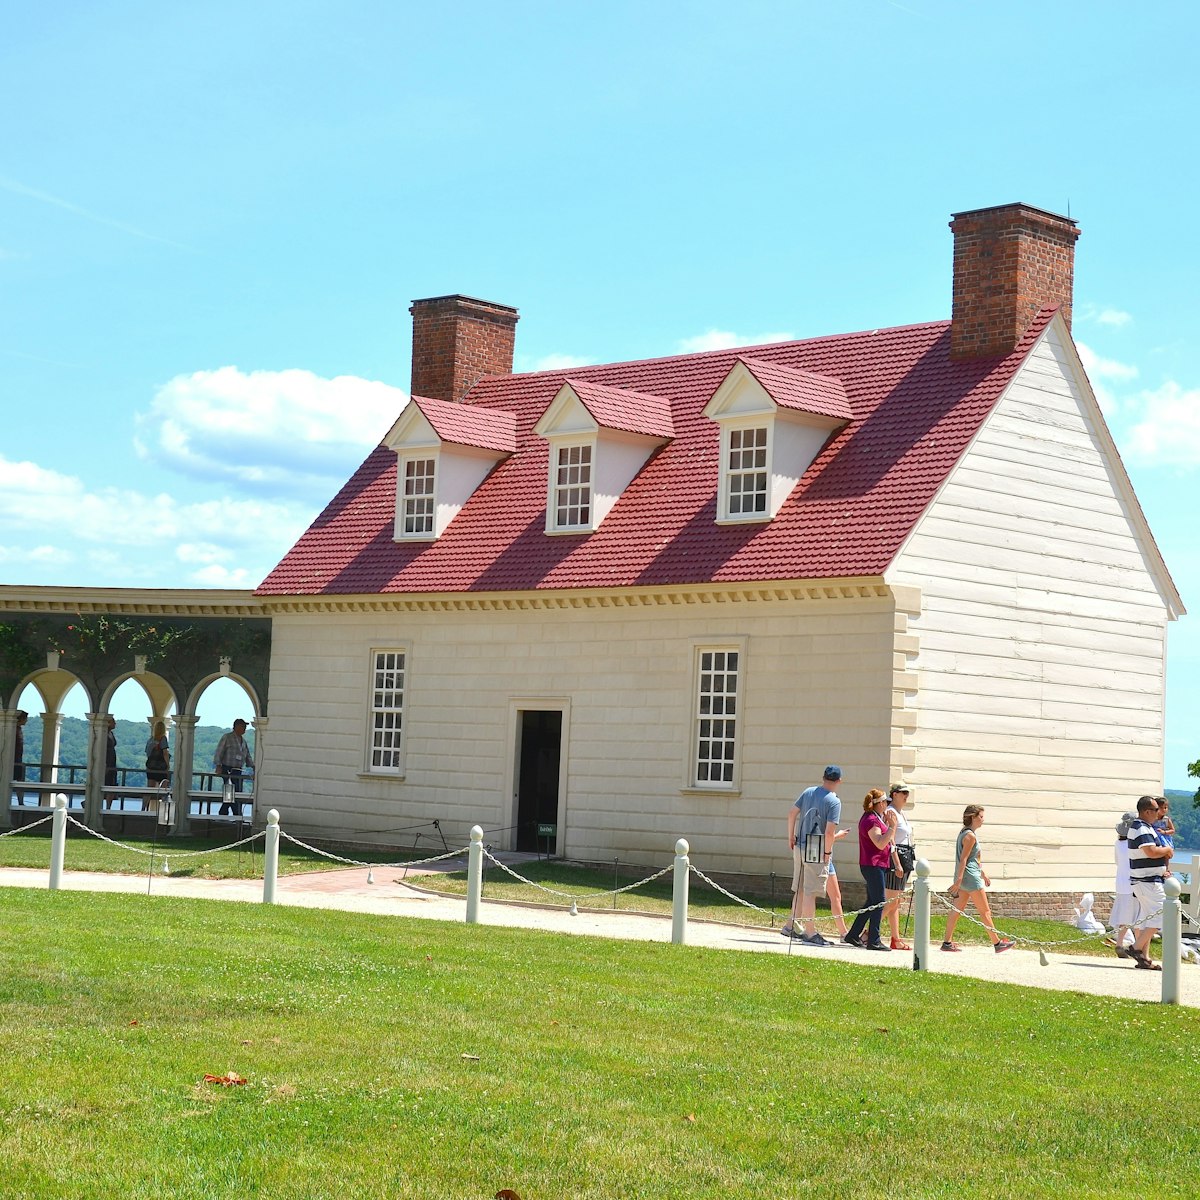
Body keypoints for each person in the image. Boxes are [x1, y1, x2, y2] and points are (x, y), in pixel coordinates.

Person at [781, 766, 843, 946]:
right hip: (816, 845)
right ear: (838, 781)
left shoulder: (808, 791)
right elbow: (830, 832)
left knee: (800, 888)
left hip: (800, 843)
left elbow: (792, 813)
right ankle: (810, 932)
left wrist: (790, 836)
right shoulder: (834, 801)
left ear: (823, 778)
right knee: (811, 891)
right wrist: (827, 852)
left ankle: (790, 925)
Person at [941, 804, 1014, 954]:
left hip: (968, 876)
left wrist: (983, 874)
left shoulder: (964, 833)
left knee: (956, 910)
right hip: (970, 879)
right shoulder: (970, 836)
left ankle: (947, 942)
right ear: (973, 817)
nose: (983, 820)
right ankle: (997, 943)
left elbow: (974, 860)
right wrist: (959, 881)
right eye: (980, 816)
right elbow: (964, 859)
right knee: (985, 911)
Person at [842, 788, 896, 951]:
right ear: (878, 804)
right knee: (879, 901)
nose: (887, 805)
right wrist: (892, 827)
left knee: (871, 902)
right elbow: (879, 842)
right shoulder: (871, 820)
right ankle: (874, 940)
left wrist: (888, 826)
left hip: (876, 864)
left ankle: (853, 934)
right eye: (885, 802)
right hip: (872, 865)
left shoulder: (875, 818)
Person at [1127, 795, 1171, 971]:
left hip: (1145, 881)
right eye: (1155, 810)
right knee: (1161, 914)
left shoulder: (1142, 827)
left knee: (1145, 919)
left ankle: (1144, 959)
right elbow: (1151, 851)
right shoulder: (1142, 828)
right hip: (1148, 882)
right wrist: (1167, 850)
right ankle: (1136, 948)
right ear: (1146, 811)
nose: (1158, 812)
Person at [882, 781, 915, 950]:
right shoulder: (890, 812)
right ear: (894, 794)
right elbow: (890, 838)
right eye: (903, 793)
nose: (906, 796)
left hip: (905, 856)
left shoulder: (901, 813)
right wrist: (896, 862)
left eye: (907, 793)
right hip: (896, 857)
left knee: (896, 901)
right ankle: (868, 932)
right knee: (891, 900)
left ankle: (895, 938)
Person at [1107, 812, 1138, 958]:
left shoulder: (1118, 844)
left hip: (1121, 882)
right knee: (1139, 917)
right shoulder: (1134, 845)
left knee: (1124, 916)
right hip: (1133, 882)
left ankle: (1120, 943)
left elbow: (1117, 862)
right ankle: (1140, 947)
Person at [214, 719, 254, 815]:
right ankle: (236, 814)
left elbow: (247, 756)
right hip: (228, 769)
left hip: (238, 771)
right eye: (242, 726)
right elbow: (219, 751)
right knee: (231, 792)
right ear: (236, 727)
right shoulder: (227, 737)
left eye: (245, 727)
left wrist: (253, 766)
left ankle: (225, 812)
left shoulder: (243, 742)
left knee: (235, 793)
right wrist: (218, 765)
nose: (244, 729)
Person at [145, 720, 171, 791]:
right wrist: (167, 765)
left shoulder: (150, 740)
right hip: (161, 768)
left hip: (150, 767)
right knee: (164, 788)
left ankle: (145, 802)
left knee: (149, 789)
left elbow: (147, 753)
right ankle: (163, 802)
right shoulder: (163, 739)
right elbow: (165, 753)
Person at [103, 715, 118, 806]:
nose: (115, 723)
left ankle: (108, 807)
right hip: (106, 762)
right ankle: (90, 803)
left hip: (112, 762)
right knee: (105, 783)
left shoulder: (111, 734)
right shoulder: (104, 734)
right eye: (113, 721)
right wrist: (104, 764)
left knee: (112, 785)